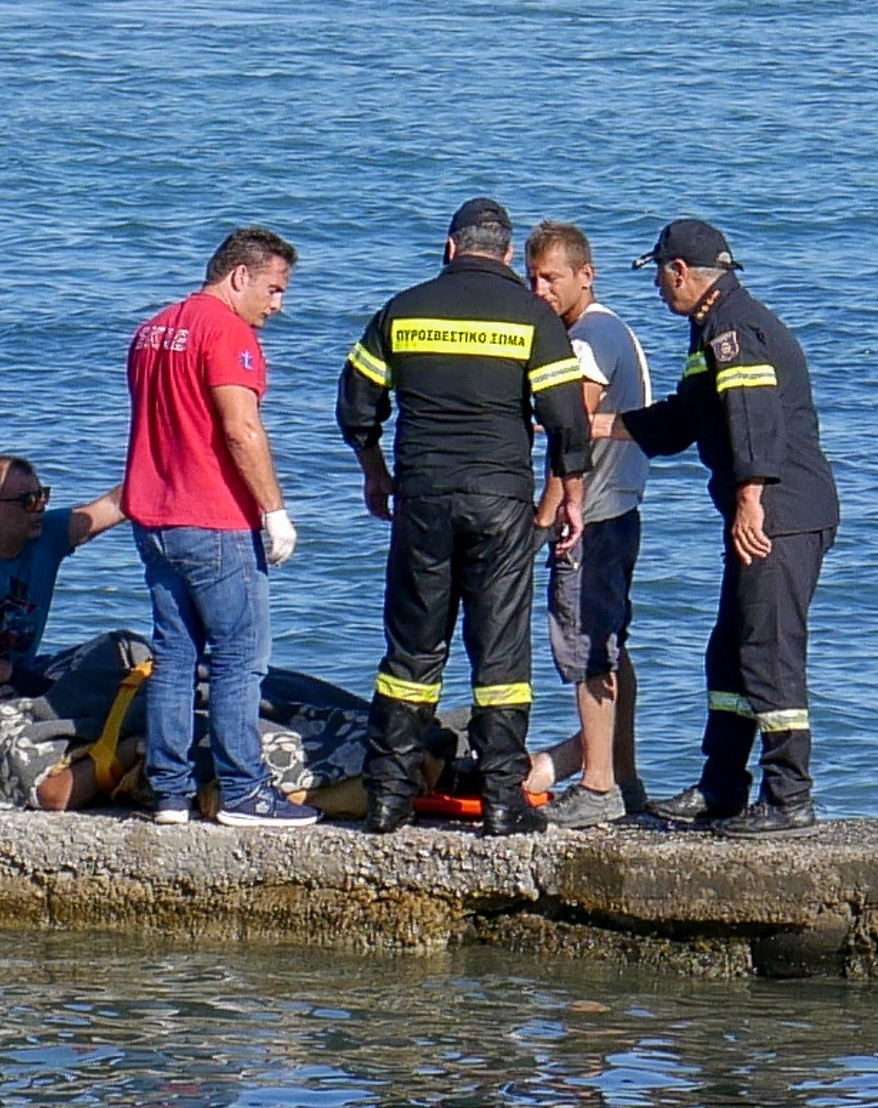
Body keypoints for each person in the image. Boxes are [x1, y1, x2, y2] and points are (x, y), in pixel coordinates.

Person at [336, 197, 592, 838]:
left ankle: (388, 798)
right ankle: (503, 801)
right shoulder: (533, 317)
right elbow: (568, 421)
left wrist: (375, 473)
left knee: (411, 652)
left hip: (422, 498)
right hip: (501, 503)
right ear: (506, 254)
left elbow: (357, 406)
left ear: (451, 248)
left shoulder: (403, 310)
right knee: (500, 655)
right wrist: (570, 498)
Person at [614, 218, 840, 836]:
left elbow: (753, 417)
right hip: (769, 508)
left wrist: (749, 501)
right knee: (730, 650)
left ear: (680, 271)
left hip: (780, 513)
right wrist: (593, 426)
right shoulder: (711, 326)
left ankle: (789, 796)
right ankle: (722, 786)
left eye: (659, 275)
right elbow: (685, 420)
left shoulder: (733, 328)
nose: (657, 288)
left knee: (768, 650)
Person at [121, 227, 319, 827]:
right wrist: (274, 511)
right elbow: (241, 428)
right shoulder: (227, 332)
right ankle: (243, 790)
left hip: (154, 517)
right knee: (239, 658)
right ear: (239, 276)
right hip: (213, 518)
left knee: (174, 656)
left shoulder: (152, 330)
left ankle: (170, 792)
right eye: (274, 288)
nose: (278, 304)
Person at [521, 221, 654, 821]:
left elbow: (570, 439)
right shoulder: (612, 328)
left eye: (551, 278)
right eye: (532, 278)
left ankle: (597, 785)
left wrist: (543, 519)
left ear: (585, 275)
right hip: (619, 510)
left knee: (586, 650)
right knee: (610, 647)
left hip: (591, 519)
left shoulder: (588, 340)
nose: (540, 290)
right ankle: (623, 778)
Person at [0, 454, 124, 715]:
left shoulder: (49, 535)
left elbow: (115, 505)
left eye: (42, 496)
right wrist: (12, 675)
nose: (40, 507)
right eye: (28, 501)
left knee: (119, 654)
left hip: (25, 671)